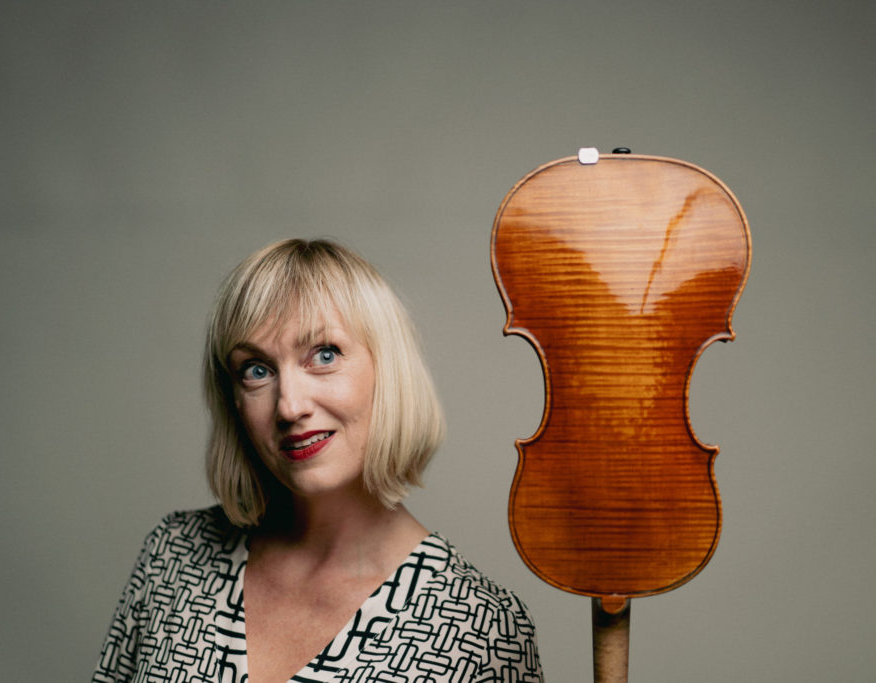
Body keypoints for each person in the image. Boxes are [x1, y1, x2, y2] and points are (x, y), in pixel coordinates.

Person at [92, 238, 543, 682]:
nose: (289, 406)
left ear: (388, 370)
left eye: (324, 355)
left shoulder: (480, 631)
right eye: (256, 370)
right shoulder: (173, 557)